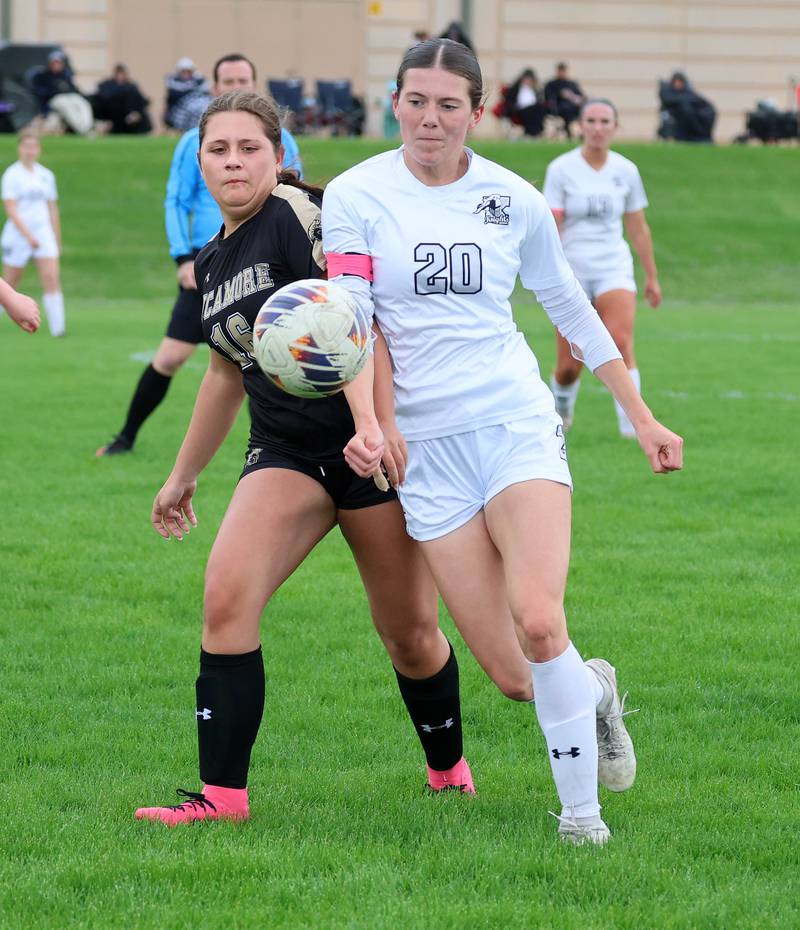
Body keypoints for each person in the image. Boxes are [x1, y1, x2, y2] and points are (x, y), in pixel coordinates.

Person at [322, 38, 683, 845]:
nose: (430, 118)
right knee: (517, 676)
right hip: (426, 453)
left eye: (449, 104)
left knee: (539, 619)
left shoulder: (511, 197)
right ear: (395, 102)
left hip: (515, 423)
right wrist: (369, 424)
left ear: (477, 112)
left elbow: (570, 307)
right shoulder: (354, 194)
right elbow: (353, 318)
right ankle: (594, 691)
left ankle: (581, 821)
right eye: (416, 100)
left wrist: (643, 413)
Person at [134, 90, 493, 825]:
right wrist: (181, 475)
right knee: (226, 601)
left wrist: (373, 423)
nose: (233, 161)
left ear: (279, 157)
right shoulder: (211, 262)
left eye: (249, 149)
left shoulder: (297, 220)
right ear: (199, 160)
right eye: (218, 150)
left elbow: (355, 320)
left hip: (367, 455)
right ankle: (222, 800)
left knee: (410, 634)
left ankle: (448, 770)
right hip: (284, 455)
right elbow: (225, 374)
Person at [96, 54, 303, 457]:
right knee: (174, 356)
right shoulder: (193, 142)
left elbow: (289, 194)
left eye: (243, 79)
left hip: (268, 259)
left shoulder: (281, 143)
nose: (233, 158)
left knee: (274, 358)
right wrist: (183, 259)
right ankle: (126, 436)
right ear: (214, 87)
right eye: (227, 80)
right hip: (209, 263)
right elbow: (176, 199)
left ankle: (275, 449)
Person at [544, 99, 662, 435]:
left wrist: (652, 276)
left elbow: (638, 227)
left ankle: (634, 428)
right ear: (580, 126)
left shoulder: (626, 171)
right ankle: (562, 412)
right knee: (569, 365)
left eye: (605, 121)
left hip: (613, 266)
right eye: (591, 121)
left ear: (615, 127)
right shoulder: (561, 169)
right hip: (573, 271)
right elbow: (553, 223)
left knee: (620, 341)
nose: (597, 128)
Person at [1, 130, 65, 336]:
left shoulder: (46, 175)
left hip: (43, 235)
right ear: (20, 148)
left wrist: (55, 237)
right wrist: (28, 235)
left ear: (39, 150)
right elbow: (10, 208)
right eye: (25, 146)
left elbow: (51, 208)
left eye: (33, 146)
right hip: (19, 236)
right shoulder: (12, 175)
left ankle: (58, 329)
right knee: (9, 283)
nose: (29, 151)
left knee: (52, 278)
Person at [30, 50, 94, 136]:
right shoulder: (43, 75)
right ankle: (82, 130)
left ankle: (88, 127)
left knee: (84, 104)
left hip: (71, 96)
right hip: (56, 98)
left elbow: (74, 88)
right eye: (54, 63)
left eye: (59, 63)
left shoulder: (65, 75)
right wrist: (55, 91)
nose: (57, 65)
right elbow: (41, 91)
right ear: (50, 63)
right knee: (67, 108)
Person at [93, 64, 152, 134]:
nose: (120, 76)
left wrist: (136, 113)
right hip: (113, 115)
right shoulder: (107, 86)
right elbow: (102, 101)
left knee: (141, 116)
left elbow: (141, 101)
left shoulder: (131, 86)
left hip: (130, 114)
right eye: (118, 73)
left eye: (122, 73)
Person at [658, 71, 715, 143]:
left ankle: (700, 135)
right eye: (676, 82)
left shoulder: (687, 92)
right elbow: (668, 101)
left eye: (680, 82)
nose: (678, 84)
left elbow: (698, 101)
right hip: (674, 116)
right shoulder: (667, 92)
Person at [163, 57, 207, 129]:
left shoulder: (199, 82)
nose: (186, 74)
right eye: (184, 71)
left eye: (188, 71)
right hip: (178, 114)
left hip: (197, 111)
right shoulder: (173, 85)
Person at [544, 62, 585, 138]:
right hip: (558, 108)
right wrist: (560, 95)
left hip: (573, 108)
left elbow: (580, 96)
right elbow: (549, 97)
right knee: (565, 108)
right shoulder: (551, 84)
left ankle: (577, 131)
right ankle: (568, 130)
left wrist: (571, 96)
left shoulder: (572, 84)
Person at [503, 69, 546, 137]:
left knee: (539, 108)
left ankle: (537, 131)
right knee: (532, 111)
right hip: (520, 110)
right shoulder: (515, 89)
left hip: (533, 109)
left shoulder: (535, 89)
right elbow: (510, 101)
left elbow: (539, 100)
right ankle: (531, 132)